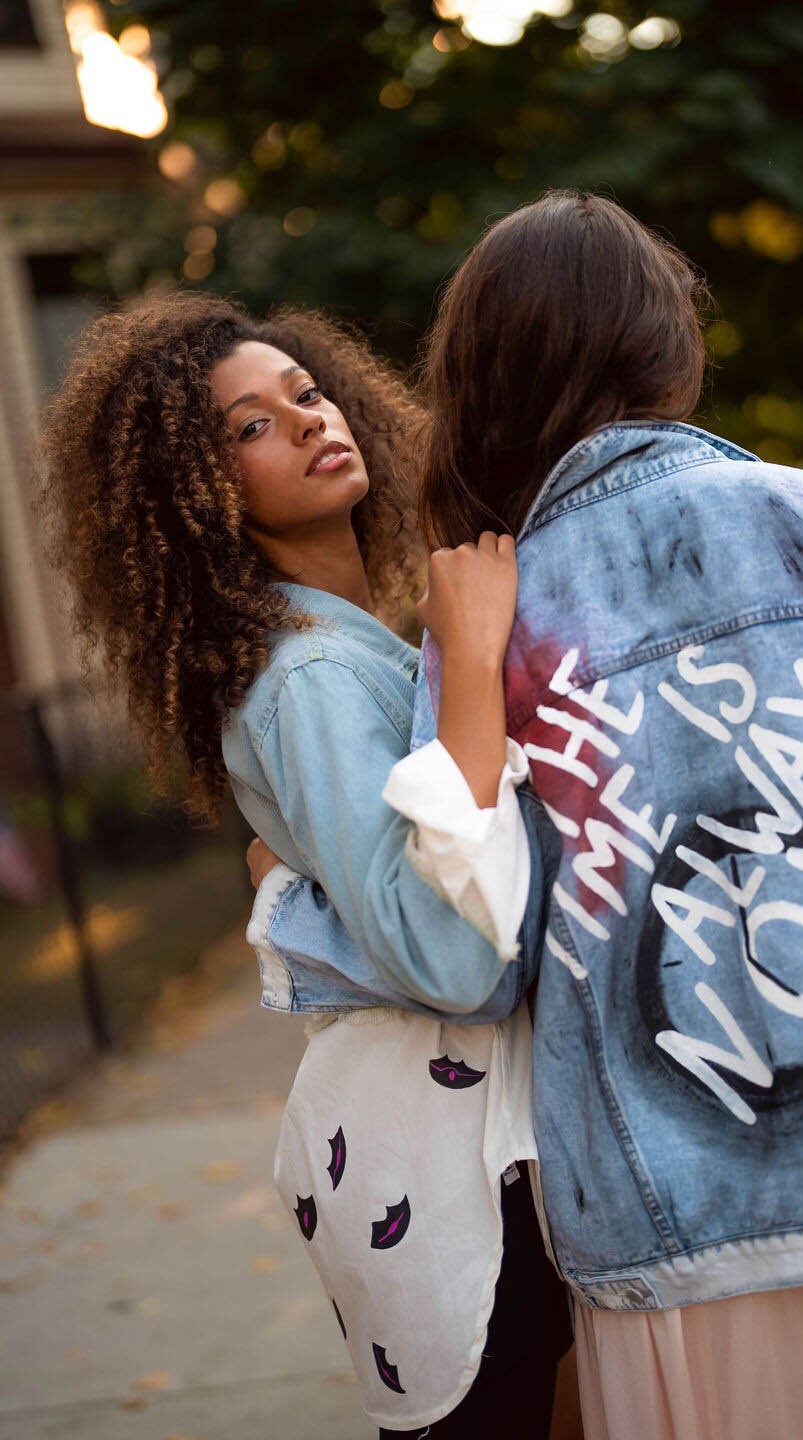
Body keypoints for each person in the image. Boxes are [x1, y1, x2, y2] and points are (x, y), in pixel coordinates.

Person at [256, 192, 803, 1439]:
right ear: (669, 347)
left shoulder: (483, 625)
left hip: (658, 1237)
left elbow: (475, 956)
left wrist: (290, 903)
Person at [38, 293, 574, 1439]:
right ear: (193, 489)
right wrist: (473, 659)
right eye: (249, 426)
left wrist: (293, 897)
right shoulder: (311, 676)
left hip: (458, 1152)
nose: (307, 420)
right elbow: (455, 964)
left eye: (307, 393)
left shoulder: (350, 643)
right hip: (444, 1167)